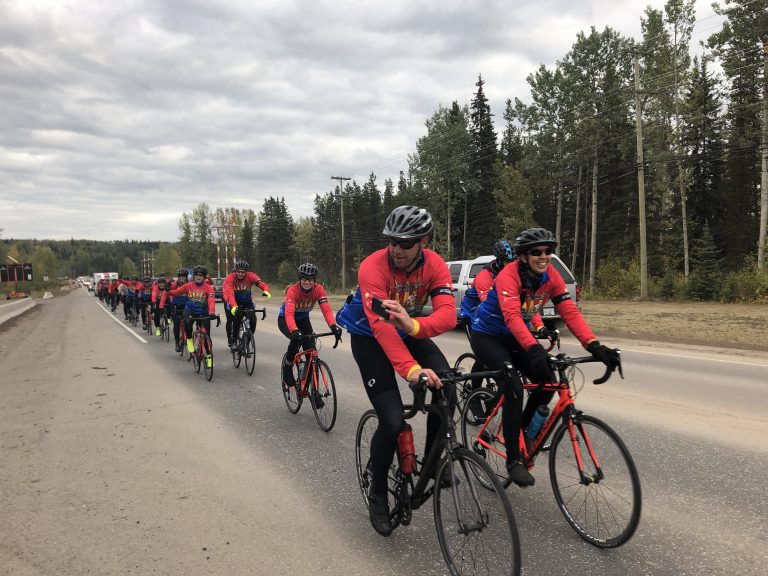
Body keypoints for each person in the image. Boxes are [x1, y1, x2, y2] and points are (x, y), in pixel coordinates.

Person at [335, 205, 456, 537]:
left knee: (448, 387)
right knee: (391, 420)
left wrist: (414, 323)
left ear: (424, 242)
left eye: (406, 243)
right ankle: (377, 493)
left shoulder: (435, 266)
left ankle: (432, 463)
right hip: (368, 336)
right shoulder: (373, 267)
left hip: (407, 328)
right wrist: (413, 371)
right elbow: (382, 328)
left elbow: (448, 315)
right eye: (393, 242)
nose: (398, 250)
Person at [470, 227, 618, 487]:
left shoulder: (551, 276)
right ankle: (513, 459)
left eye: (548, 251)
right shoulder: (508, 275)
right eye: (536, 252)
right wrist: (534, 348)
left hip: (516, 336)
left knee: (547, 379)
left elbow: (569, 311)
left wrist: (593, 345)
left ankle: (523, 433)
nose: (544, 256)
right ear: (524, 256)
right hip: (489, 335)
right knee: (513, 385)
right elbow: (513, 317)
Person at [458, 239, 516, 419]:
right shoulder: (485, 276)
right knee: (484, 357)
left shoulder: (512, 274)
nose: (511, 266)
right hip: (473, 317)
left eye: (513, 262)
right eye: (507, 262)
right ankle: (473, 394)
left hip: (493, 319)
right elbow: (489, 305)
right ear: (499, 260)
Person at [278, 263, 342, 400]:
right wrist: (295, 330)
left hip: (303, 320)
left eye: (311, 279)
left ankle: (315, 393)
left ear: (314, 281)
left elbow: (326, 309)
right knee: (296, 339)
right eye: (304, 279)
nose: (307, 282)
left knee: (312, 356)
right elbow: (289, 314)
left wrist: (333, 326)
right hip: (286, 319)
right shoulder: (293, 290)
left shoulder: (318, 290)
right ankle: (287, 367)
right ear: (300, 279)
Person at [166, 265, 216, 363]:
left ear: (204, 277)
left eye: (200, 275)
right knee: (187, 324)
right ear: (194, 276)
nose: (198, 277)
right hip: (190, 310)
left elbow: (211, 300)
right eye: (196, 275)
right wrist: (167, 291)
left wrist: (211, 312)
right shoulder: (188, 286)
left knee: (207, 337)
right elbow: (176, 292)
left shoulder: (208, 287)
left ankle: (209, 358)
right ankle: (189, 339)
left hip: (203, 312)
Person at [222, 259, 271, 349]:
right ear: (235, 271)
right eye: (238, 272)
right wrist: (233, 306)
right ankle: (232, 340)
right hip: (233, 299)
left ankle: (247, 342)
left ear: (246, 272)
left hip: (246, 300)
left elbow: (260, 283)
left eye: (242, 272)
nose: (240, 274)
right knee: (236, 317)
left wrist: (266, 290)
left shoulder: (251, 276)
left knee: (253, 320)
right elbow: (230, 294)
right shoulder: (230, 277)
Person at [159, 268, 190, 353]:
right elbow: (165, 294)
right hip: (175, 306)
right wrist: (161, 306)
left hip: (186, 306)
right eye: (180, 276)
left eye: (183, 276)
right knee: (176, 323)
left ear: (186, 277)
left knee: (188, 323)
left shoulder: (190, 284)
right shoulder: (174, 284)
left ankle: (187, 338)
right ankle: (177, 343)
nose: (181, 277)